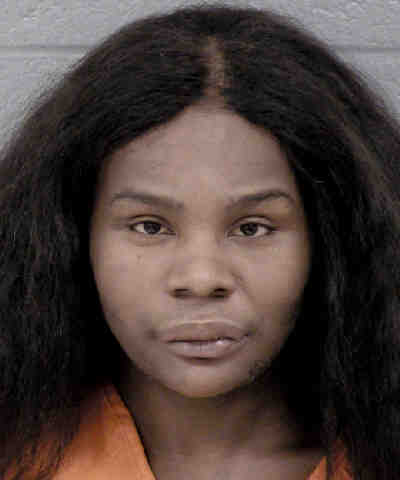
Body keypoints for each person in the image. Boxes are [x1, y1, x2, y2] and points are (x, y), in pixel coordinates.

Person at [1, 2, 399, 479]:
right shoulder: (16, 455)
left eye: (252, 228)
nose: (201, 278)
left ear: (330, 240)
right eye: (150, 226)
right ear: (68, 237)